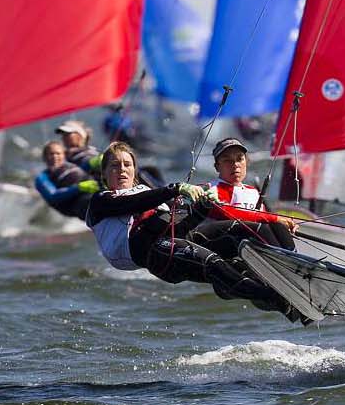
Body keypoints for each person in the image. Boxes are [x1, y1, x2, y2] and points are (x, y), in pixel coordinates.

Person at [84, 141, 303, 319]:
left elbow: (180, 226)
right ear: (104, 174)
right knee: (213, 262)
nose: (122, 170)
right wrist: (175, 189)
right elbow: (134, 204)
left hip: (174, 240)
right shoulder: (101, 201)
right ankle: (282, 299)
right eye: (114, 165)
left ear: (134, 170)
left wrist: (201, 206)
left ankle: (296, 276)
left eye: (127, 165)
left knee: (243, 230)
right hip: (155, 254)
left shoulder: (147, 193)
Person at [208, 137, 297, 249]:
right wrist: (275, 218)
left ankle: (295, 259)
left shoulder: (253, 191)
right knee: (267, 225)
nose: (235, 164)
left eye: (239, 159)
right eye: (227, 160)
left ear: (247, 162)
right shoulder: (212, 188)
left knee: (278, 226)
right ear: (217, 167)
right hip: (226, 246)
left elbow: (265, 218)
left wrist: (284, 223)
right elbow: (228, 214)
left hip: (254, 246)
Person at [34, 140, 99, 219]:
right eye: (51, 154)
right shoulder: (42, 177)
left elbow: (83, 167)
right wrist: (79, 188)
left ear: (64, 155)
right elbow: (52, 195)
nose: (55, 156)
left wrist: (96, 161)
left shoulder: (71, 165)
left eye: (58, 153)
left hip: (94, 191)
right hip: (79, 203)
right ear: (44, 158)